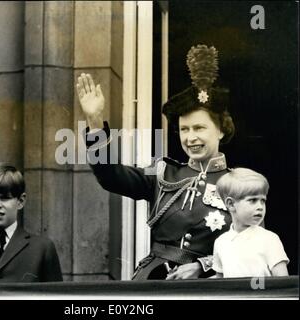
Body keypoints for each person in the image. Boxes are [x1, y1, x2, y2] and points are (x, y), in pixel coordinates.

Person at [76, 45, 236, 280]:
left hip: (206, 288)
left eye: (199, 128)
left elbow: (253, 243)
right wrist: (95, 120)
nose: (190, 137)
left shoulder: (239, 184)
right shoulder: (163, 174)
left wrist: (203, 266)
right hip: (153, 282)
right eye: (184, 129)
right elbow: (111, 176)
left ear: (221, 130)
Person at [213, 168, 289, 277]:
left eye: (263, 201)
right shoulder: (221, 242)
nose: (260, 207)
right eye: (252, 200)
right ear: (230, 204)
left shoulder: (269, 239)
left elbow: (282, 283)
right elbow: (219, 284)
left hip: (263, 293)